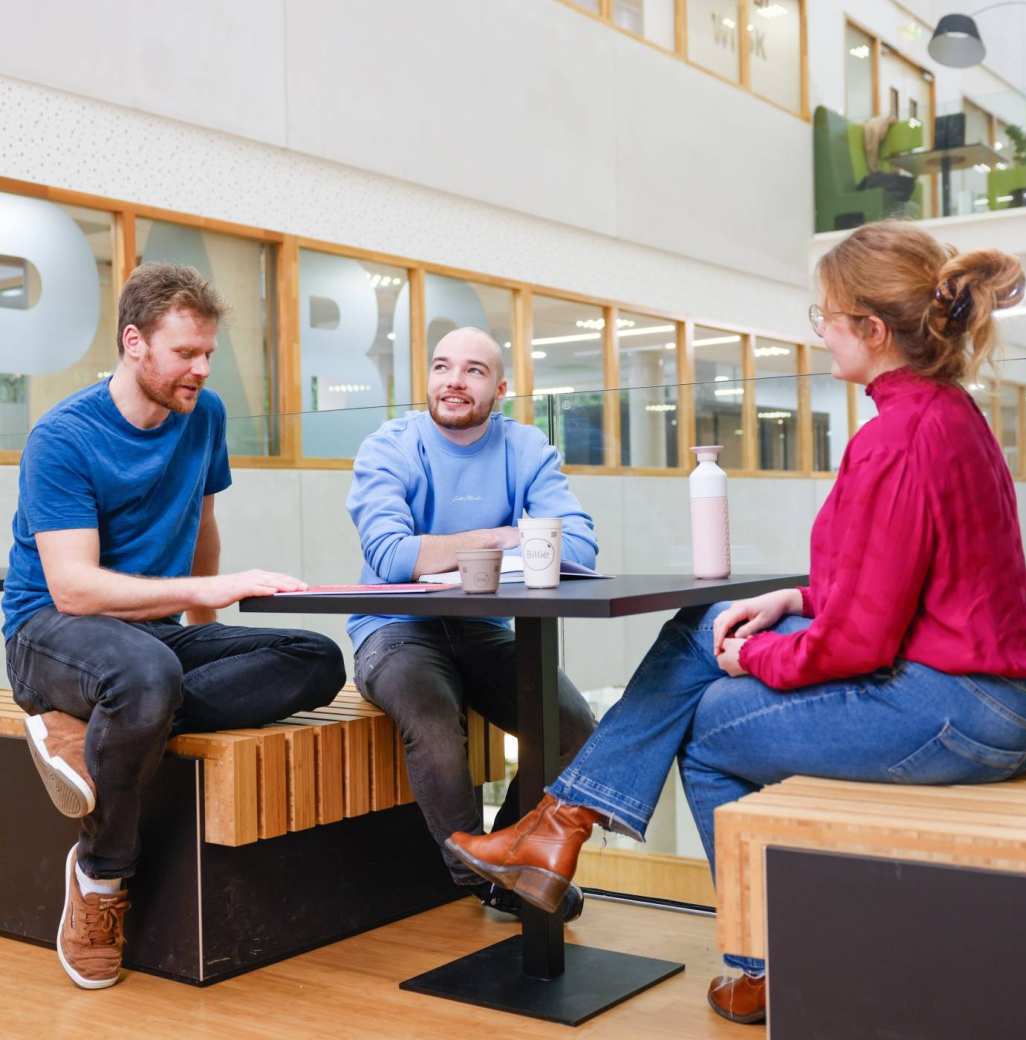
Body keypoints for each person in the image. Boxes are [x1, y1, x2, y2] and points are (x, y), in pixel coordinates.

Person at [447, 221, 1026, 1025]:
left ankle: (738, 946)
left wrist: (758, 660)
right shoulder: (947, 415)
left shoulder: (896, 437)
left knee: (707, 724)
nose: (821, 332)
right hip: (987, 695)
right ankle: (561, 825)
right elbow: (914, 584)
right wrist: (793, 603)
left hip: (959, 712)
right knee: (704, 622)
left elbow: (860, 644)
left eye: (825, 315)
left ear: (870, 328)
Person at [4, 263, 346, 990]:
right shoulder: (63, 437)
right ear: (135, 343)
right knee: (145, 674)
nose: (201, 368)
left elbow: (203, 525)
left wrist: (205, 629)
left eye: (208, 353)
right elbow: (73, 589)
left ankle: (89, 728)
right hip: (47, 634)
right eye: (186, 353)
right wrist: (211, 592)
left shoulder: (204, 415)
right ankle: (100, 881)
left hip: (148, 639)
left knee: (313, 659)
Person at [347, 326, 597, 920]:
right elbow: (392, 556)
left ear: (501, 388)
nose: (453, 381)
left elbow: (581, 546)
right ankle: (479, 878)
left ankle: (512, 853)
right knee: (434, 722)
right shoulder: (390, 446)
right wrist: (504, 537)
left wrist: (448, 547)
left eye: (473, 371)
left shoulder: (527, 447)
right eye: (442, 367)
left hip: (483, 628)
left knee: (573, 726)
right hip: (395, 627)